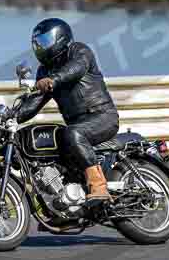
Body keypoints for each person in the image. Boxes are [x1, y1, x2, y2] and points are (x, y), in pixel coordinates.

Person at [17, 18, 119, 202]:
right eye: (37, 43)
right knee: (56, 144)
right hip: (77, 125)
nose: (40, 47)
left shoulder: (79, 50)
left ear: (60, 37)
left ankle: (99, 186)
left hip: (102, 116)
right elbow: (34, 103)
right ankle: (68, 200)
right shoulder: (44, 70)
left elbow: (76, 68)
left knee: (72, 133)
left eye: (45, 41)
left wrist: (53, 80)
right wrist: (10, 116)